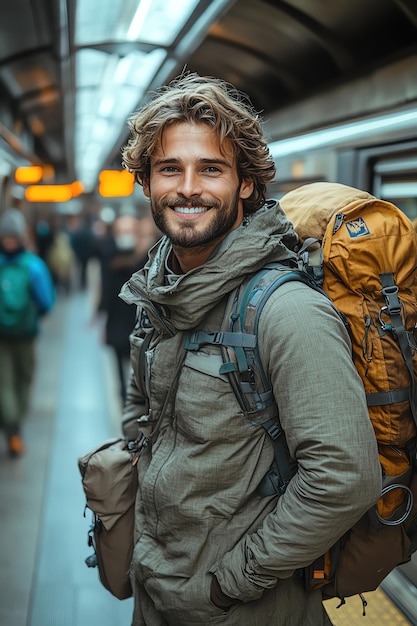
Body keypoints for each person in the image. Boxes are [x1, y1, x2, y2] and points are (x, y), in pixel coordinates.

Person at [119, 73, 382, 625]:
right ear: (146, 182)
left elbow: (345, 477)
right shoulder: (160, 291)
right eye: (170, 168)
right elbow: (141, 415)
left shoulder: (285, 312)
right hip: (156, 590)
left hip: (241, 609)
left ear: (244, 184)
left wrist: (228, 585)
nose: (188, 188)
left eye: (210, 169)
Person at [0, 208, 55, 456]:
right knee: (23, 379)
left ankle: (10, 427)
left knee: (4, 382)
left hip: (2, 335)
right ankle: (14, 428)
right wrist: (33, 316)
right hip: (26, 334)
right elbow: (46, 301)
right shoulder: (33, 265)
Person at [95, 214, 152, 402]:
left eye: (128, 231)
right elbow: (107, 291)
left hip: (140, 325)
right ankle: (124, 400)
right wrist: (102, 320)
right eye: (120, 231)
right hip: (117, 323)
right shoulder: (109, 255)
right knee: (119, 369)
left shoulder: (148, 258)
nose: (124, 235)